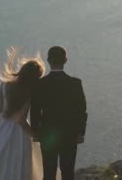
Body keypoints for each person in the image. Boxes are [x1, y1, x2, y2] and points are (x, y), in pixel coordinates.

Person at [0, 49, 45, 180]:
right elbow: (21, 120)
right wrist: (35, 134)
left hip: (2, 127)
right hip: (19, 133)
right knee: (18, 164)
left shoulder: (5, 85)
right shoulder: (30, 91)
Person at [30, 46, 87, 180]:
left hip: (47, 134)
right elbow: (81, 110)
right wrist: (81, 132)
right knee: (68, 172)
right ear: (65, 60)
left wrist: (35, 132)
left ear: (48, 60)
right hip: (70, 133)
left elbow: (35, 110)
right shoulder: (75, 83)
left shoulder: (40, 84)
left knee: (48, 172)